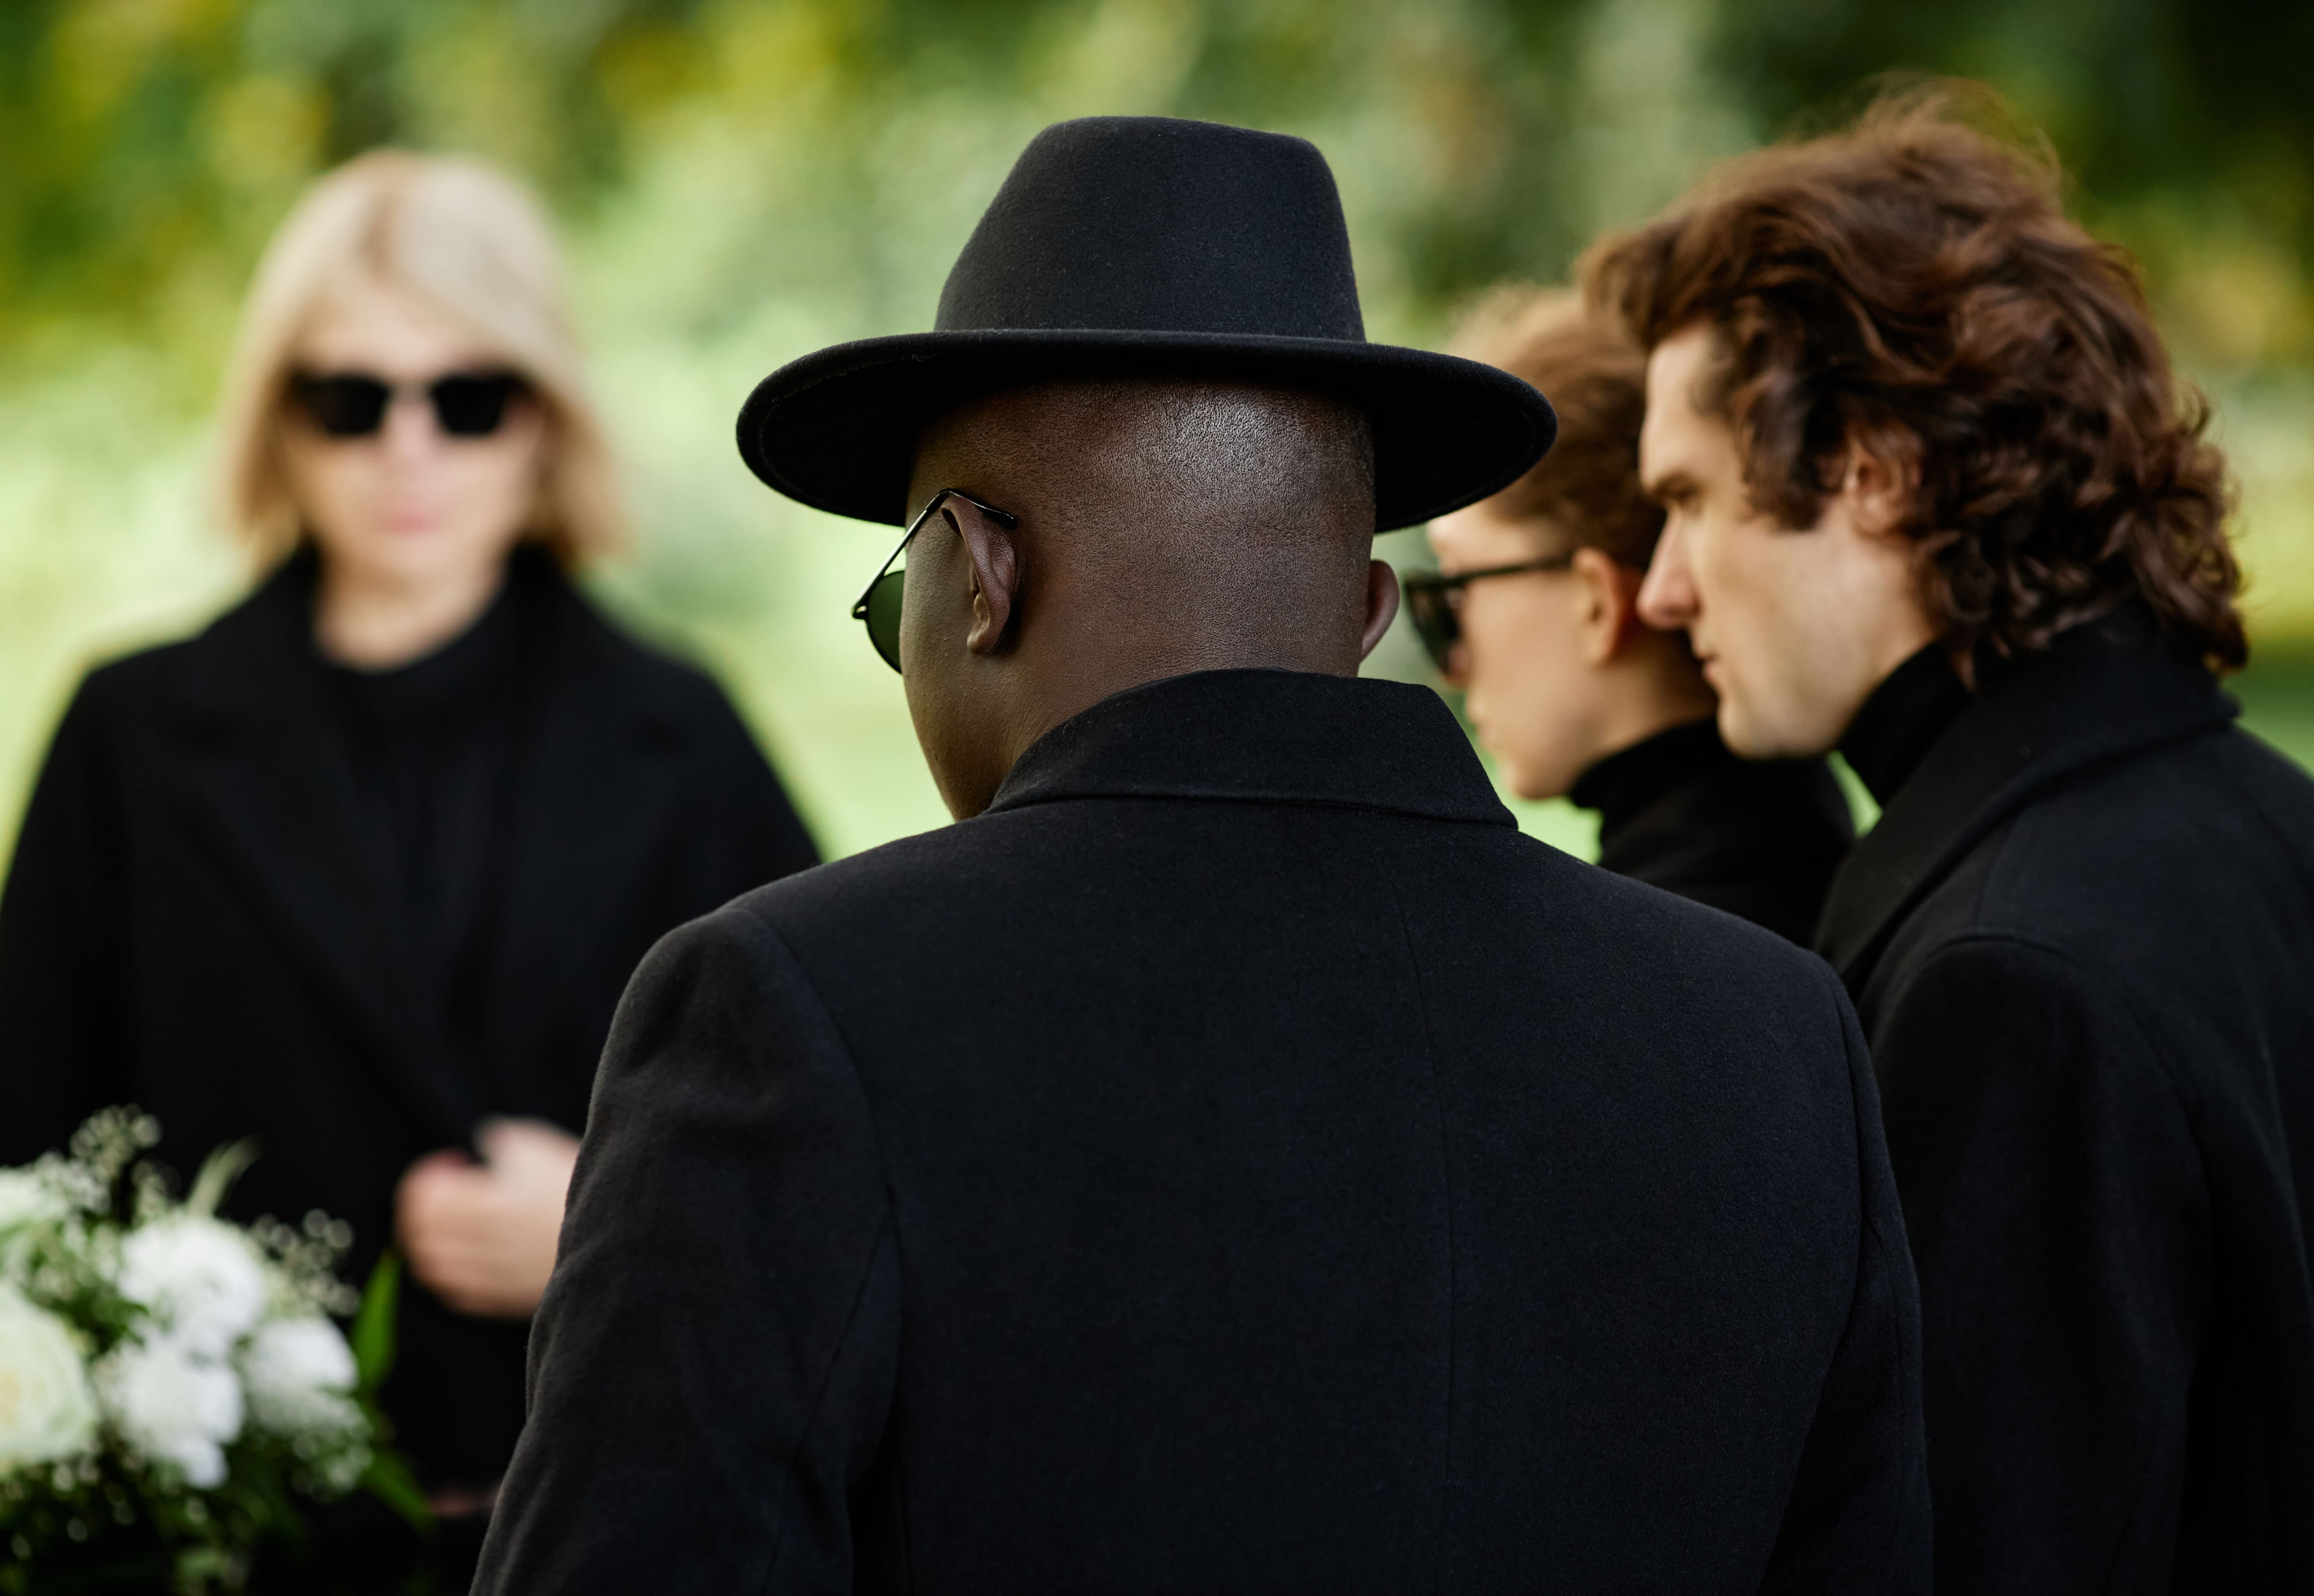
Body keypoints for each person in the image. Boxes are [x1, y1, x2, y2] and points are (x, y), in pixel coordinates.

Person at [477, 115, 1927, 1592]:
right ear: (1366, 613)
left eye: (889, 595)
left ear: (983, 575)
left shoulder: (793, 1016)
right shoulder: (1775, 1042)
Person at [0, 152, 817, 1584]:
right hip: (218, 1550)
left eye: (469, 399)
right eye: (349, 401)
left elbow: (834, 1177)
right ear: (276, 423)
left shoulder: (683, 732)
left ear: (545, 420)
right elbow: (7, 1181)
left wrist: (610, 1235)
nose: (409, 447)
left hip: (601, 1539)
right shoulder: (134, 737)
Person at [1589, 89, 2314, 1591]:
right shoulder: (2254, 811)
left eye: (1688, 502)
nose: (1662, 589)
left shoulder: (2009, 976)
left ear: (1871, 466)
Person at [1411, 287, 1853, 943]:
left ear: (1597, 601)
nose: (1454, 667)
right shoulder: (1797, 843)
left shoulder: (1644, 947)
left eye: (1452, 593)